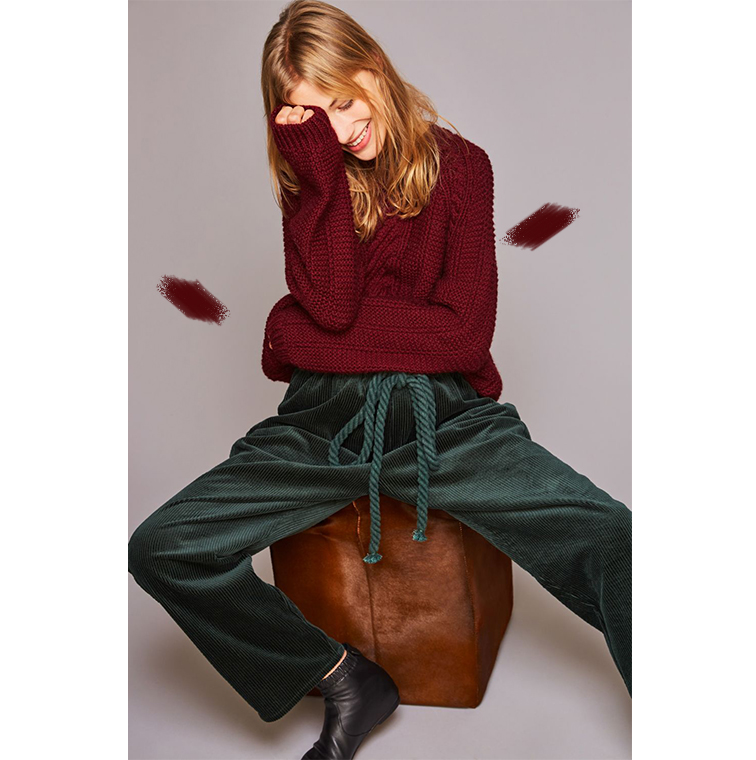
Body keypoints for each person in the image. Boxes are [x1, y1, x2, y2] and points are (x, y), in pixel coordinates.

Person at [128, 2, 632, 758]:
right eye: (314, 116)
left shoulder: (463, 168)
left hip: (444, 418)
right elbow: (333, 304)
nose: (339, 127)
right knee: (163, 548)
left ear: (373, 65)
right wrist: (320, 185)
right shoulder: (312, 178)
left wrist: (290, 329)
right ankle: (342, 679)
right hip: (322, 422)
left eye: (344, 100)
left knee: (610, 533)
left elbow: (459, 335)